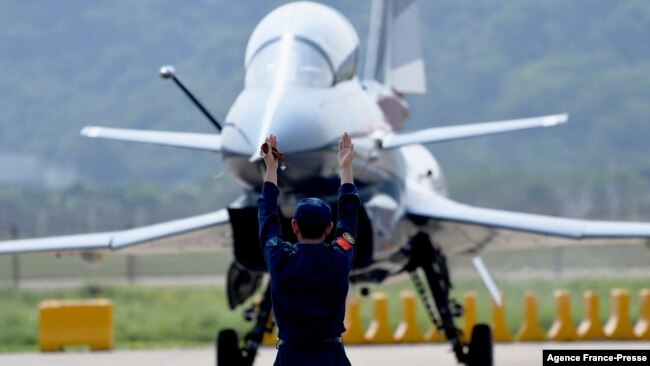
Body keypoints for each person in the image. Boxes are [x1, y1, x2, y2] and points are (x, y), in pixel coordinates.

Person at [258, 132, 360, 366]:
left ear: (294, 226)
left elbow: (267, 216)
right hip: (331, 357)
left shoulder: (279, 258)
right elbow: (349, 216)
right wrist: (345, 168)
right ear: (328, 229)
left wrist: (271, 169)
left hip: (290, 358)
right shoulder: (339, 258)